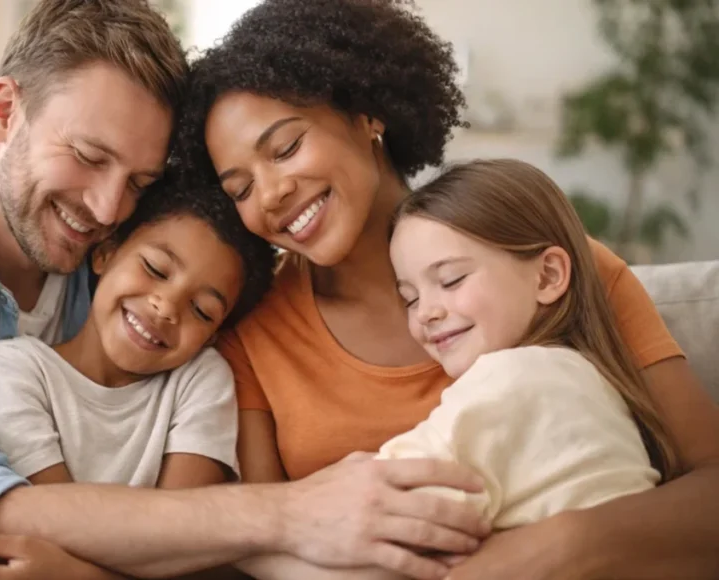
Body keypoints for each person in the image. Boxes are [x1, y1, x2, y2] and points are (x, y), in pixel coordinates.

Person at [0, 1, 491, 579]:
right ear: (5, 111)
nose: (106, 206)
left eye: (139, 181)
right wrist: (295, 513)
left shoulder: (121, 272)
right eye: (87, 156)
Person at [171, 0, 719, 577]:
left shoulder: (550, 266)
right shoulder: (253, 336)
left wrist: (558, 549)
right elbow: (264, 544)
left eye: (285, 148)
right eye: (239, 189)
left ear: (367, 116)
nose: (271, 193)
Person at [379, 159, 675, 532]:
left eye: (451, 280)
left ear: (548, 275)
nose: (425, 313)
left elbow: (381, 505)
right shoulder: (588, 380)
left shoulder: (510, 381)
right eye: (410, 298)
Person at [0, 177, 275, 490]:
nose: (167, 307)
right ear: (105, 254)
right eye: (155, 269)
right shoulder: (9, 371)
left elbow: (182, 527)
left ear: (211, 336)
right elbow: (52, 517)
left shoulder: (200, 379)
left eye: (202, 310)